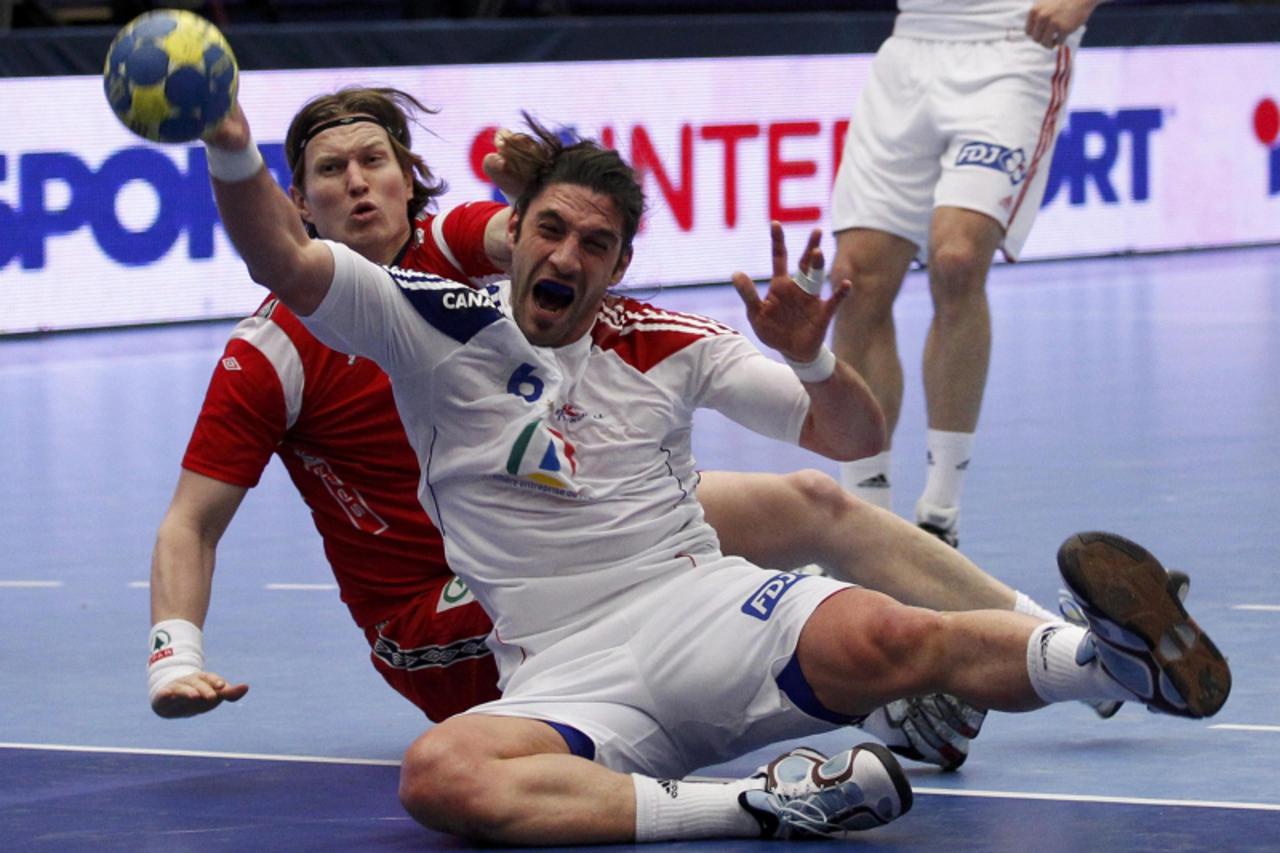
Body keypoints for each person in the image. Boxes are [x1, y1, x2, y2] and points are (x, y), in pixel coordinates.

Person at [188, 96, 1229, 844]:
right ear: (510, 241)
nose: (564, 253)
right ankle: (761, 805)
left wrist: (812, 353)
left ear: (616, 265)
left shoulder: (669, 338)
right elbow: (284, 261)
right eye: (546, 228)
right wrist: (232, 147)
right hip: (561, 671)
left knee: (896, 632)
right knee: (439, 777)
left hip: (703, 608)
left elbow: (844, 435)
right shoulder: (429, 325)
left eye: (592, 242)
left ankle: (1103, 662)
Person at [829, 0, 1105, 546]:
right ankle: (868, 529)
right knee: (855, 279)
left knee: (956, 258)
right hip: (911, 47)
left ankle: (940, 513)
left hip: (1015, 41)